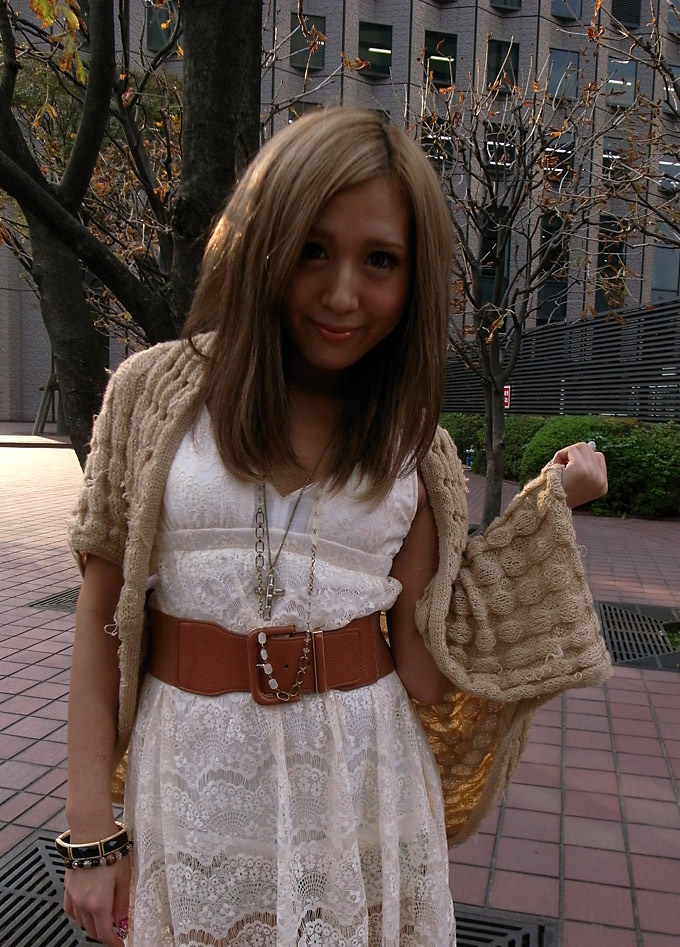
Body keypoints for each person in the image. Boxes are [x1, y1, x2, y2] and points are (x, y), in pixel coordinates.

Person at [61, 107, 610, 947]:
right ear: (264, 241)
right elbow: (101, 619)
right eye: (313, 249)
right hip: (195, 792)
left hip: (364, 797)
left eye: (380, 260)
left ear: (413, 278)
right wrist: (91, 832)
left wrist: (547, 509)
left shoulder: (415, 448)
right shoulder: (151, 395)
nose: (343, 293)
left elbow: (424, 664)